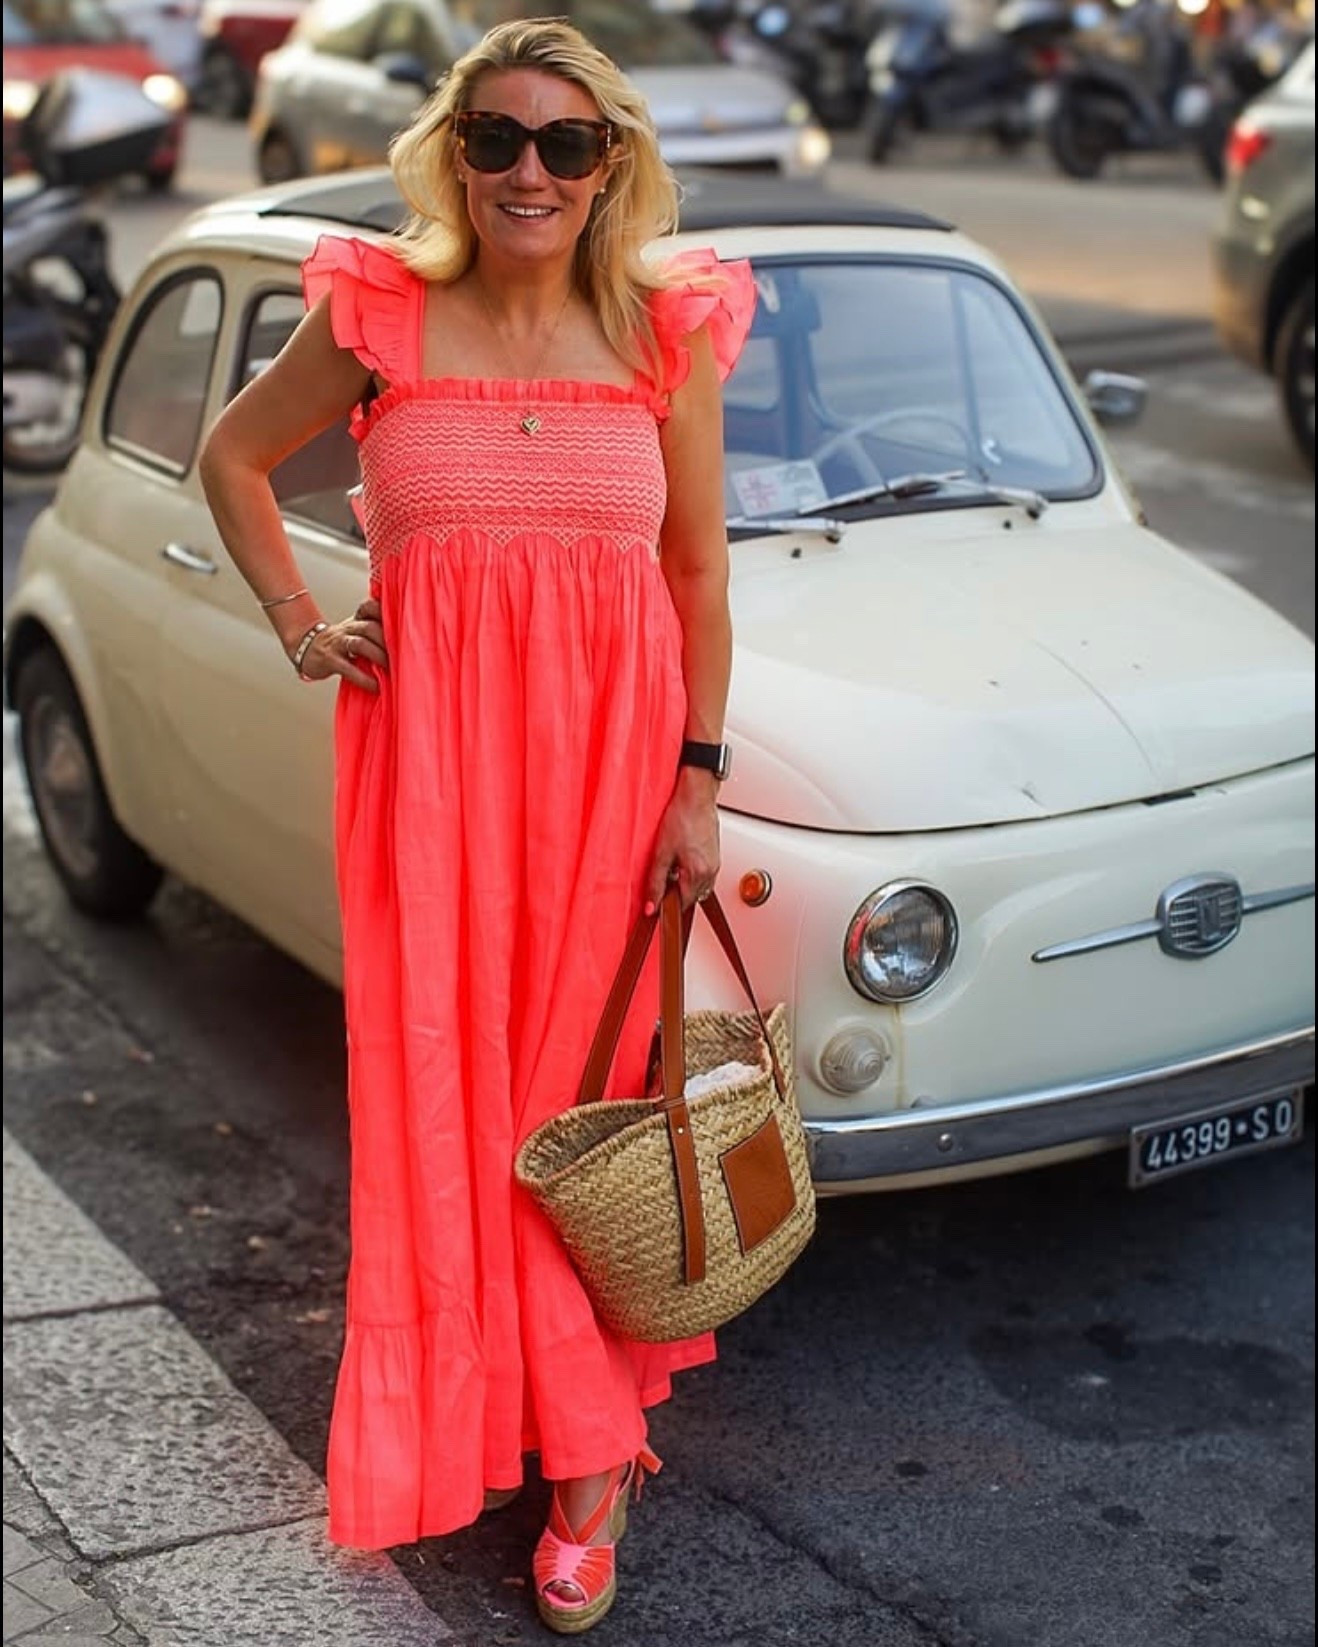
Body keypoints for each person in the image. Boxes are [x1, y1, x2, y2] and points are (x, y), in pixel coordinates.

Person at [198, 17, 754, 1635]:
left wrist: (698, 779)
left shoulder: (667, 333)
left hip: (609, 771)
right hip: (429, 763)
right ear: (454, 154)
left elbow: (701, 575)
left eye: (564, 145)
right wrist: (306, 623)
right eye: (498, 138)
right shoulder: (377, 312)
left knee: (569, 1106)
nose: (529, 169)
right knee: (450, 1097)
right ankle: (519, 1420)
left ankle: (581, 1452)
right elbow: (235, 459)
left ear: (610, 167)